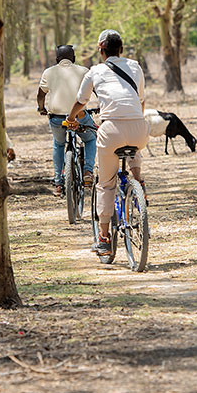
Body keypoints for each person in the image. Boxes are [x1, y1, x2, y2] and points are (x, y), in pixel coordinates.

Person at [66, 30, 148, 256]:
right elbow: (140, 100)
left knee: (106, 183)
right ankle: (139, 182)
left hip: (111, 130)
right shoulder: (136, 67)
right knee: (134, 146)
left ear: (101, 50)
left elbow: (81, 101)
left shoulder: (95, 71)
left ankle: (103, 237)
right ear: (121, 49)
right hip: (140, 129)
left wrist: (70, 119)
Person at [37, 44, 97, 197]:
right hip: (80, 117)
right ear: (74, 58)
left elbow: (41, 95)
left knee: (58, 144)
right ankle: (88, 171)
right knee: (90, 139)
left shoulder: (49, 72)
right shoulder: (84, 71)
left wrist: (41, 108)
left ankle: (58, 183)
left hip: (57, 119)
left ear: (57, 59)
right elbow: (96, 90)